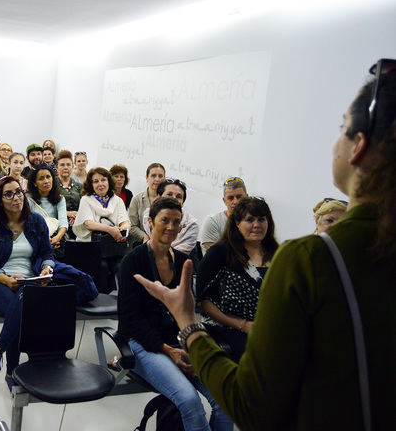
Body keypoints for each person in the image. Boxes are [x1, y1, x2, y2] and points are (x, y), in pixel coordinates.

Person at [135, 60, 396, 431]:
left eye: (341, 128)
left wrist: (188, 323)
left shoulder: (308, 260)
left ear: (358, 148)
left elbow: (252, 404)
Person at [118, 198, 232, 431]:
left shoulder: (182, 262)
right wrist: (168, 350)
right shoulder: (133, 261)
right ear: (150, 222)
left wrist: (191, 344)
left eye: (176, 222)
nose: (171, 227)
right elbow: (130, 320)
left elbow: (188, 313)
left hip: (180, 340)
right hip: (145, 343)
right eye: (165, 221)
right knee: (190, 401)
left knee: (225, 398)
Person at [0, 176, 56, 390]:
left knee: (23, 298)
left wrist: (46, 268)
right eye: (8, 194)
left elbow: (48, 253)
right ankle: (12, 370)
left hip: (29, 279)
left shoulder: (36, 221)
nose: (16, 198)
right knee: (20, 304)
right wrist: (5, 278)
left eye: (18, 192)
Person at [195, 197, 278, 362]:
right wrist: (243, 325)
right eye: (249, 220)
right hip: (230, 329)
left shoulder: (277, 253)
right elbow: (203, 301)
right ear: (237, 224)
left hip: (272, 328)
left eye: (261, 219)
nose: (257, 225)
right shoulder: (221, 252)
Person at [74, 167, 130, 292]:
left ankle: (121, 302)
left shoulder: (118, 200)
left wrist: (124, 229)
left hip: (113, 247)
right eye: (96, 181)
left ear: (109, 181)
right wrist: (111, 230)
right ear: (91, 184)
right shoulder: (86, 199)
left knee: (122, 266)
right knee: (102, 266)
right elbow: (88, 224)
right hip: (90, 246)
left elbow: (125, 220)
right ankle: (100, 300)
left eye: (103, 180)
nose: (100, 184)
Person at [142, 179, 199, 255]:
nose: (173, 198)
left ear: (182, 203)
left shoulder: (191, 225)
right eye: (169, 194)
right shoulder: (148, 214)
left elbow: (179, 256)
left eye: (179, 197)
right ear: (159, 197)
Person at [198, 177, 248, 255]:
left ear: (247, 198)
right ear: (224, 201)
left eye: (239, 197)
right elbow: (215, 255)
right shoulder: (213, 221)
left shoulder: (254, 223)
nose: (235, 202)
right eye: (230, 198)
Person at [26, 165, 68, 250]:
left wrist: (56, 239)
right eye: (41, 179)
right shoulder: (28, 200)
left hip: (55, 238)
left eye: (48, 177)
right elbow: (27, 224)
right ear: (34, 183)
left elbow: (63, 223)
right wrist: (45, 240)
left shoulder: (60, 198)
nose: (46, 181)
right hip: (35, 239)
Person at [128, 163, 166, 245]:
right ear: (147, 178)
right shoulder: (137, 200)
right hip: (142, 243)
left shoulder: (168, 200)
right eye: (153, 175)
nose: (157, 179)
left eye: (160, 176)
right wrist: (144, 236)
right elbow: (132, 226)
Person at [56, 150, 82, 229]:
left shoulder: (79, 186)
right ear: (57, 168)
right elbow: (48, 208)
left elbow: (85, 206)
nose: (65, 167)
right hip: (57, 223)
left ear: (73, 167)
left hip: (78, 223)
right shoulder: (51, 185)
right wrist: (67, 213)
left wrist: (77, 216)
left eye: (68, 165)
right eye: (62, 165)